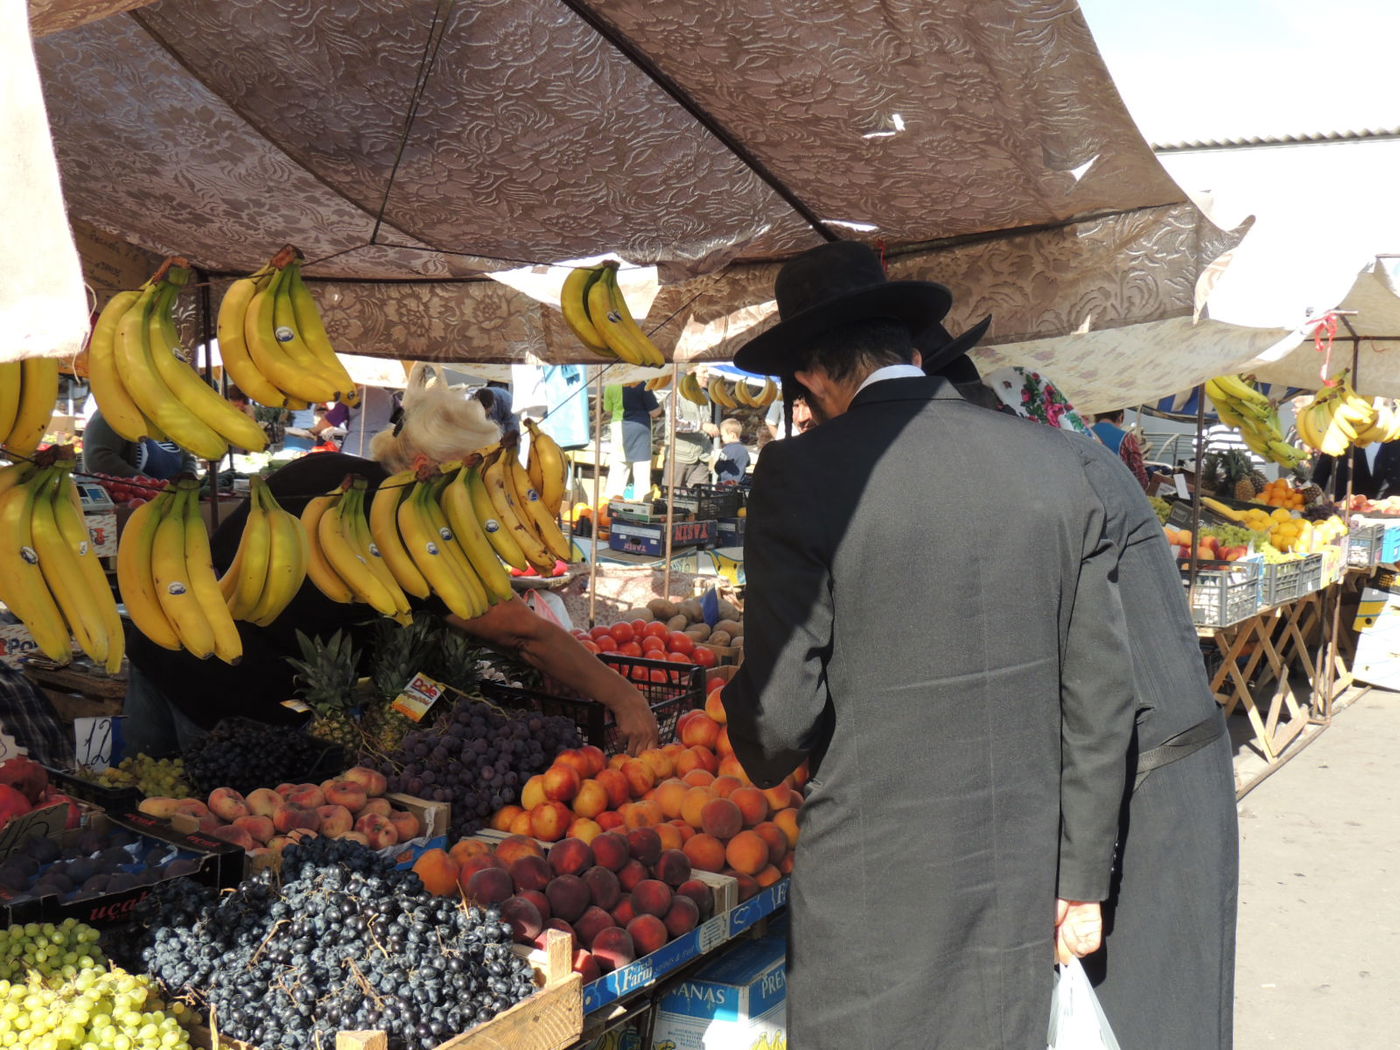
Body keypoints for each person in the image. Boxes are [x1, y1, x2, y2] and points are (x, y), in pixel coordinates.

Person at [721, 241, 1136, 1050]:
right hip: (1022, 872)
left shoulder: (799, 475)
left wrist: (749, 730)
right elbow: (1101, 694)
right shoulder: (1058, 465)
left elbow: (777, 715)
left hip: (874, 888)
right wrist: (1081, 879)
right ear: (914, 349)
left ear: (810, 373)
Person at [929, 352, 1238, 1050]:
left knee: (1153, 1017)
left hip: (1154, 785)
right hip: (1148, 768)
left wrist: (1078, 876)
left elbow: (1090, 691)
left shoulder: (1053, 481)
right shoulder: (1057, 461)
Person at [123, 365, 661, 760]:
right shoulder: (410, 531)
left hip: (159, 651)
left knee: (142, 819)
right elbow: (522, 635)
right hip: (226, 696)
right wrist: (624, 697)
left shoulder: (316, 470)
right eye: (469, 480)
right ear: (426, 469)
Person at [81, 408, 196, 479]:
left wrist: (188, 477)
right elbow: (98, 459)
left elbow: (187, 457)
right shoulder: (111, 414)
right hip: (131, 504)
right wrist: (151, 485)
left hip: (175, 500)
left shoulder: (165, 416)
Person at [605, 382, 660, 499]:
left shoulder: (610, 385)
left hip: (618, 428)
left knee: (618, 468)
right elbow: (654, 412)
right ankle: (641, 507)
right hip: (640, 429)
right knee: (641, 471)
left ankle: (610, 506)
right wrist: (662, 406)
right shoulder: (642, 385)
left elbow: (608, 411)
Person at [669, 367, 719, 489]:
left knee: (699, 498)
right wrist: (701, 425)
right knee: (673, 495)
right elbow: (674, 423)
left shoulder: (706, 396)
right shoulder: (676, 396)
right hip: (680, 457)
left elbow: (707, 421)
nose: (707, 376)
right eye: (704, 372)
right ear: (691, 373)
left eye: (707, 372)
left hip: (702, 456)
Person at [1314, 443, 1400, 500]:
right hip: (1345, 513)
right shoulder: (1342, 434)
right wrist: (1310, 506)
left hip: (1392, 517)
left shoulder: (1395, 434)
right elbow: (1319, 475)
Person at [1090, 409, 1150, 490]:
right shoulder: (1127, 438)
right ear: (1120, 417)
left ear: (1095, 416)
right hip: (1117, 493)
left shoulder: (1084, 434)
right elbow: (1140, 477)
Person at [711, 418, 749, 482]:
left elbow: (719, 467)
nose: (722, 438)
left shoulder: (726, 450)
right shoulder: (744, 450)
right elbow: (748, 462)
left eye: (723, 435)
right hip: (740, 483)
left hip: (726, 483)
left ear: (732, 435)